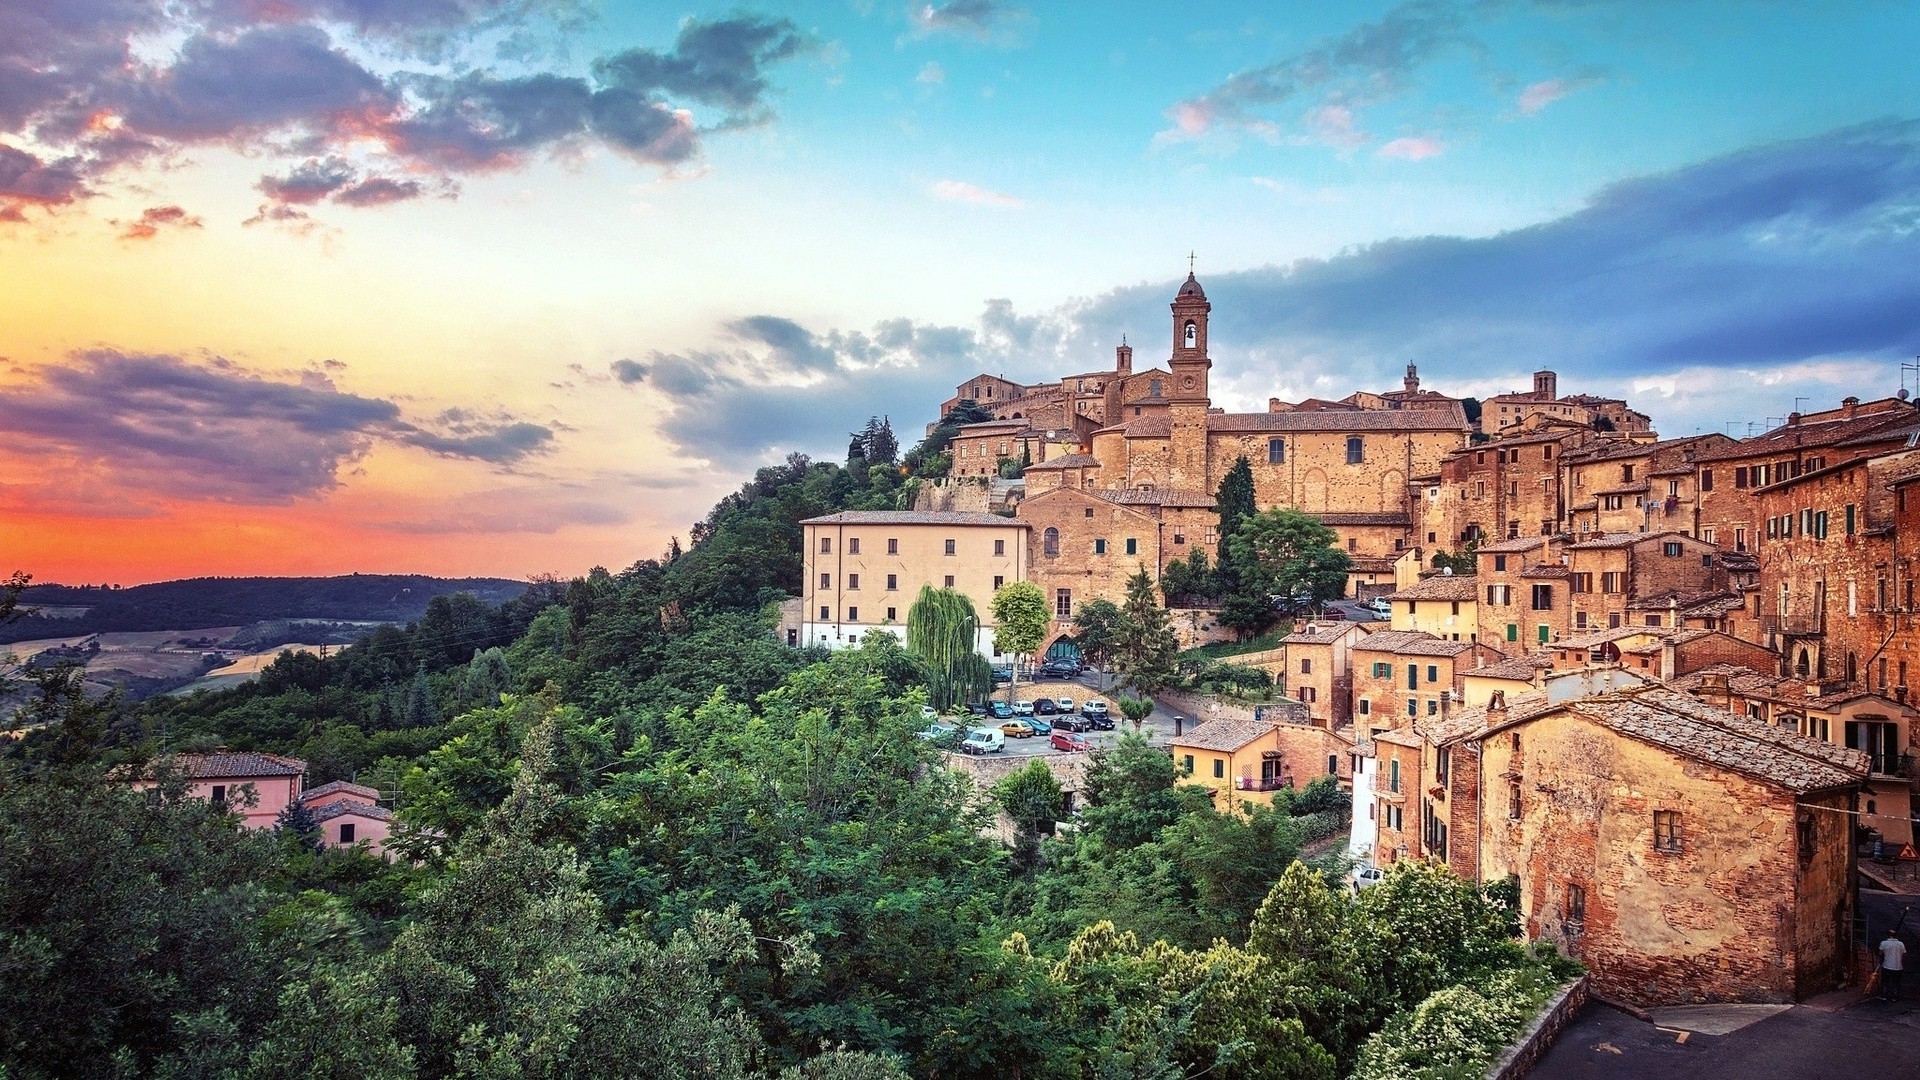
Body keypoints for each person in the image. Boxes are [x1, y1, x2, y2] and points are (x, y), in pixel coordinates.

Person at [1880, 929, 1907, 1001]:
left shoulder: (1883, 943)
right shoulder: (1901, 944)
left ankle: (1884, 996)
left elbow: (1880, 953)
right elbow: (1904, 954)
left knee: (1885, 981)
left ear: (1888, 935)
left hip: (1886, 965)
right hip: (1898, 966)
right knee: (1896, 982)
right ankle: (1894, 997)